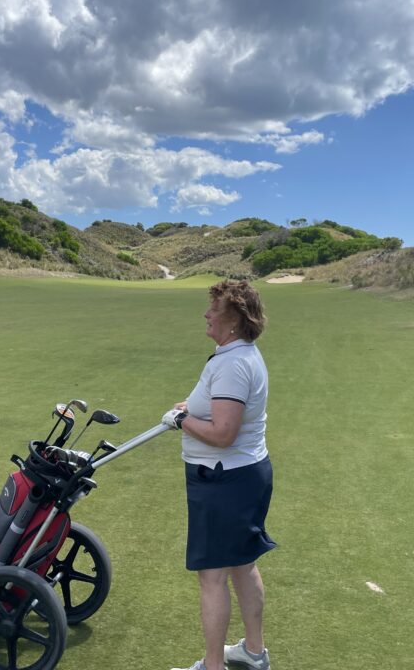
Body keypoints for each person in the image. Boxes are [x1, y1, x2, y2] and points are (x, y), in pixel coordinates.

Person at [162, 280, 275, 670]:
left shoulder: (232, 364)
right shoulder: (238, 355)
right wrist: (190, 410)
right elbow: (218, 408)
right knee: (242, 564)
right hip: (243, 476)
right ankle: (254, 653)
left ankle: (214, 666)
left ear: (235, 321)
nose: (207, 314)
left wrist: (181, 421)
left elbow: (223, 434)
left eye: (215, 309)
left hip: (223, 480)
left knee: (212, 577)